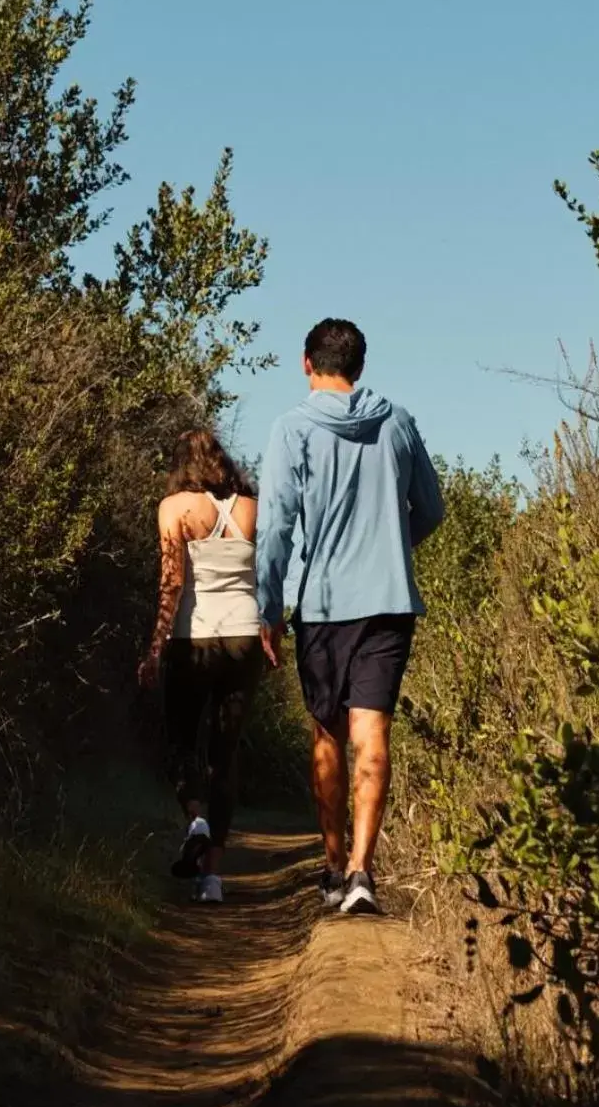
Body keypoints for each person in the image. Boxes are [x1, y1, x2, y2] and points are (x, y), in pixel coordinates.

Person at [255, 318, 445, 916]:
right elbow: (432, 509)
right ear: (359, 367)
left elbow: (277, 526)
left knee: (328, 733)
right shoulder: (399, 422)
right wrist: (388, 547)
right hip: (388, 601)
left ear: (307, 364)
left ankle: (334, 868)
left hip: (325, 605)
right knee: (373, 732)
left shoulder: (291, 430)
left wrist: (268, 607)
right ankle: (364, 870)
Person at [138, 428, 264, 904]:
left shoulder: (175, 509)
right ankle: (212, 878)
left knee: (179, 745)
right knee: (224, 756)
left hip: (193, 638)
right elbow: (263, 574)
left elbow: (171, 584)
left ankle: (196, 819)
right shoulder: (251, 505)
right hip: (243, 637)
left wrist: (154, 647)